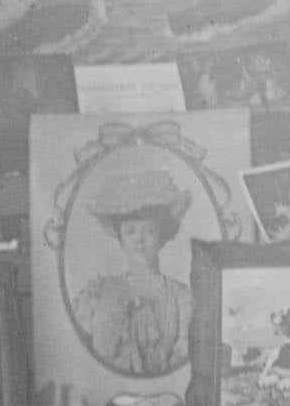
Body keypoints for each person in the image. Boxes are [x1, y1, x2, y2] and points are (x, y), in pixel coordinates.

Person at [70, 150, 196, 378]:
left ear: (162, 236)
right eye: (130, 231)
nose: (139, 239)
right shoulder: (97, 294)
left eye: (149, 230)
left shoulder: (182, 298)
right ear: (119, 237)